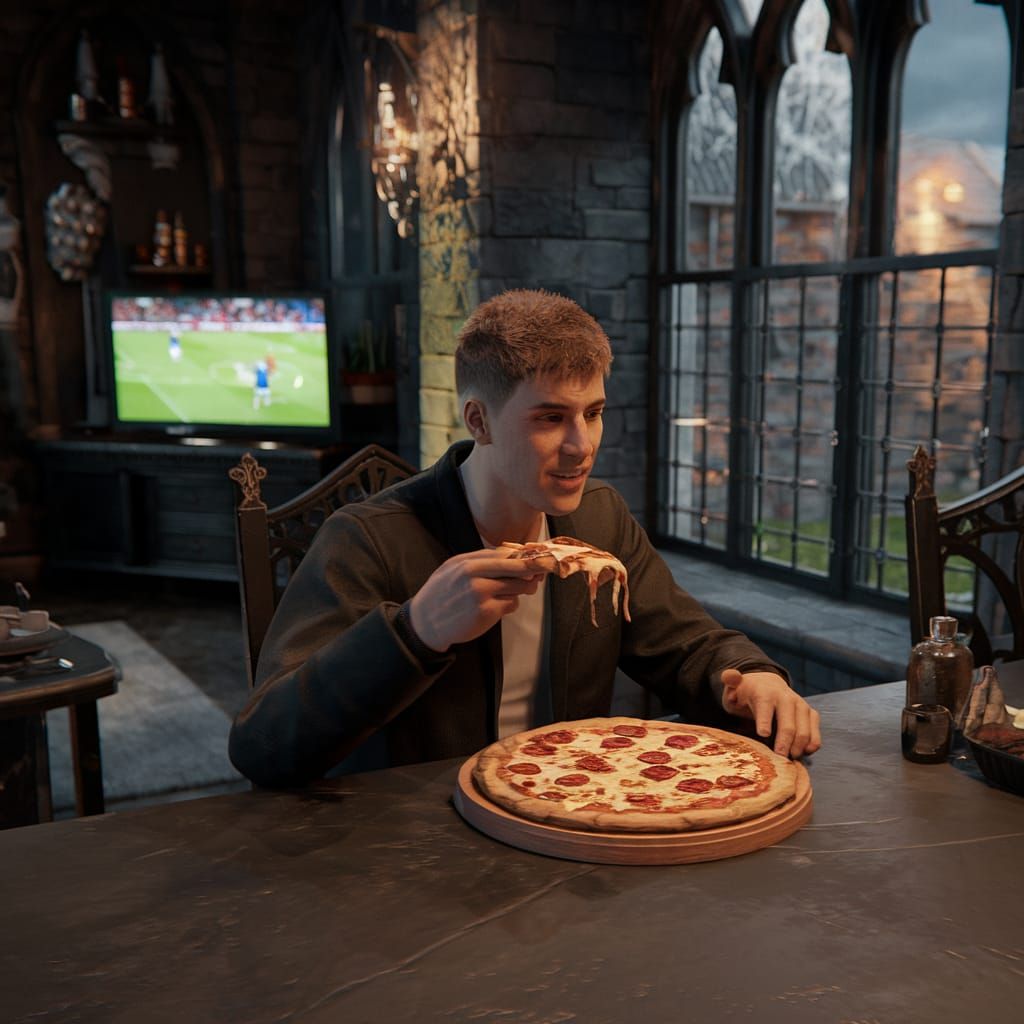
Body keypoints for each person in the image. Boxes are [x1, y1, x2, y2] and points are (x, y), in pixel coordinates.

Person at [229, 289, 821, 787]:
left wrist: (752, 675)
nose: (582, 445)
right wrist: (414, 633)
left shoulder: (599, 520)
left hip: (573, 812)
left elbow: (687, 647)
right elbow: (263, 746)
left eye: (593, 413)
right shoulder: (367, 540)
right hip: (417, 846)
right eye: (549, 418)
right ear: (478, 421)